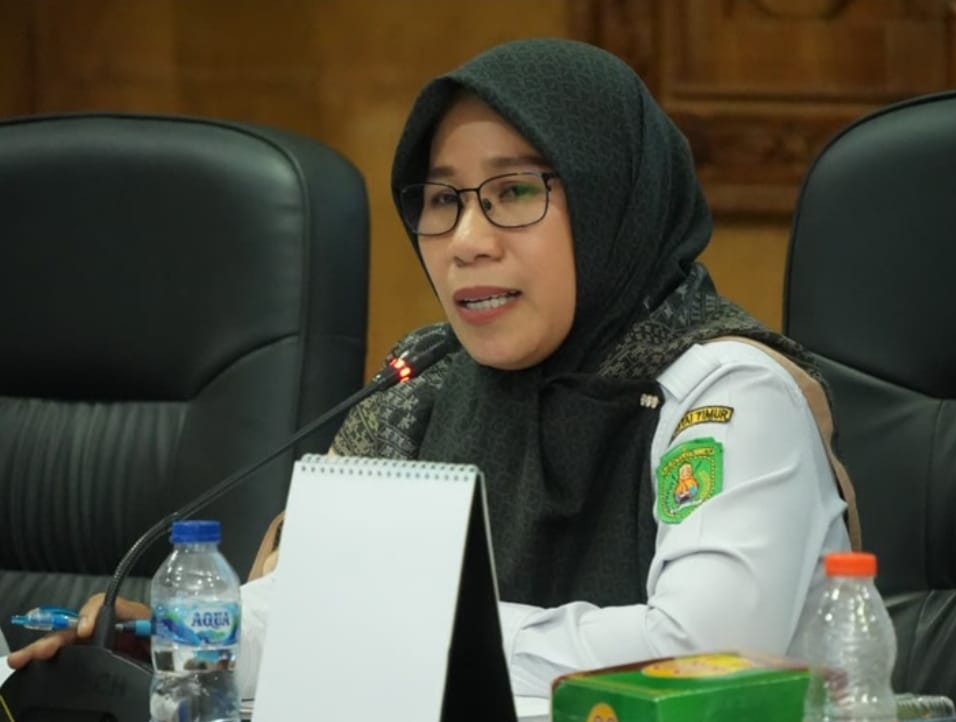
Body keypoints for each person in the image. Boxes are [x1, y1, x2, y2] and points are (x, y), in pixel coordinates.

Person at [7, 37, 854, 700]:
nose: (466, 241)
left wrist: (414, 638)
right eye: (443, 200)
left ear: (613, 204)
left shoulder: (724, 392)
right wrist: (189, 640)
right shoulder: (419, 390)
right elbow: (309, 612)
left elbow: (704, 652)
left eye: (514, 191)